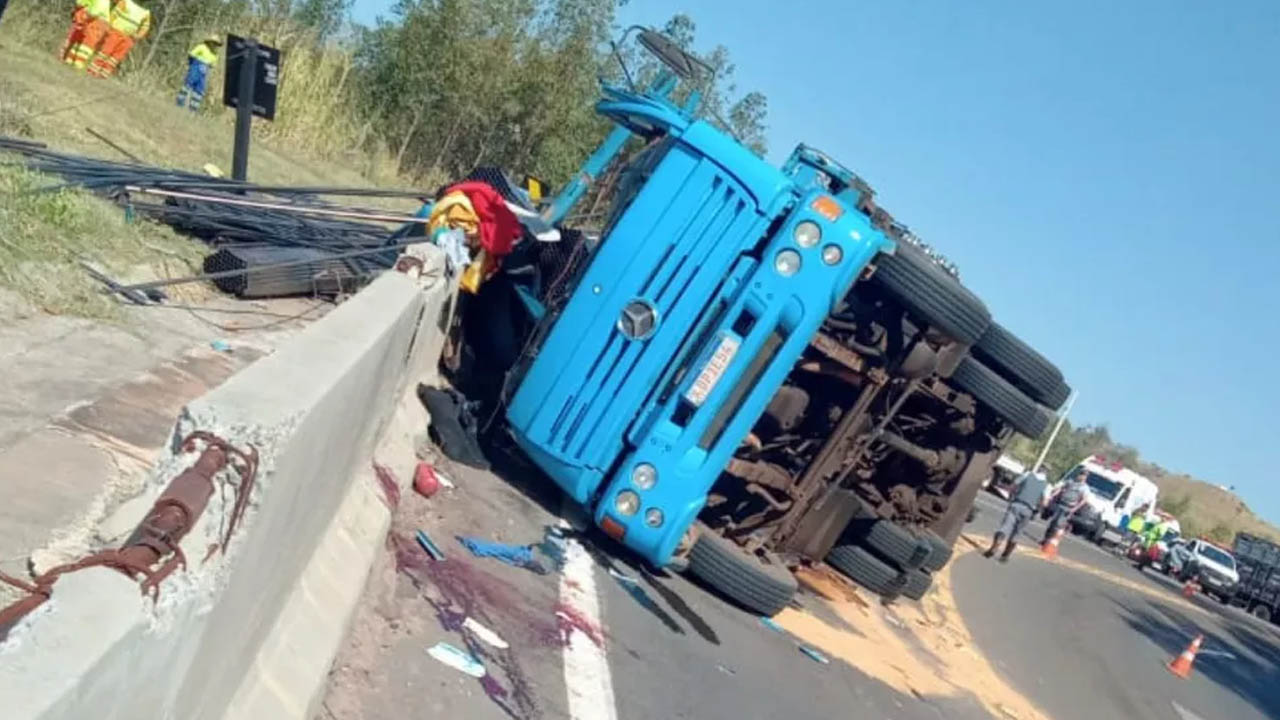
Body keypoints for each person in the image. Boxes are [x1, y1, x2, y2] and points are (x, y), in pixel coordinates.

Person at [985, 470, 1047, 562]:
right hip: (1028, 510)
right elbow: (1043, 502)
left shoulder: (1028, 474)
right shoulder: (1046, 484)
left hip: (1017, 504)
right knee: (1017, 533)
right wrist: (1037, 512)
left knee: (1004, 527)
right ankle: (1005, 555)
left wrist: (1011, 497)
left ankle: (994, 548)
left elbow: (1014, 486)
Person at [87, 0, 150, 78]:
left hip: (128, 37)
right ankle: (93, 70)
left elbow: (145, 27)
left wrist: (137, 36)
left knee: (116, 57)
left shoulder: (145, 12)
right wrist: (108, 26)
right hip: (116, 32)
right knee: (106, 51)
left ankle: (104, 74)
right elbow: (114, 14)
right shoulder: (125, 2)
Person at [1041, 469, 1089, 544]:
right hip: (1061, 504)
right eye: (1081, 474)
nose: (1081, 476)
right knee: (1053, 522)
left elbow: (1084, 500)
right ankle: (1045, 538)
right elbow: (1060, 489)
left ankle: (1050, 541)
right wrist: (1052, 495)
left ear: (1085, 477)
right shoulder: (1070, 482)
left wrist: (1074, 509)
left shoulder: (1084, 488)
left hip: (1068, 507)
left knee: (1058, 524)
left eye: (1084, 475)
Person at [176, 36, 221, 112]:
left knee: (199, 90)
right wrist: (192, 64)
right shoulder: (202, 47)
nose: (214, 45)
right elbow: (191, 55)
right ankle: (180, 103)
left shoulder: (215, 54)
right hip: (195, 67)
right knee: (188, 85)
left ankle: (192, 109)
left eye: (216, 44)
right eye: (213, 43)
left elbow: (213, 65)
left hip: (204, 72)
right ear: (209, 42)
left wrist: (208, 65)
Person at [63, 0, 111, 69]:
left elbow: (95, 12)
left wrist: (84, 15)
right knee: (79, 41)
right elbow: (81, 3)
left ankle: (77, 64)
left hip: (98, 21)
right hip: (91, 18)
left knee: (87, 44)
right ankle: (70, 61)